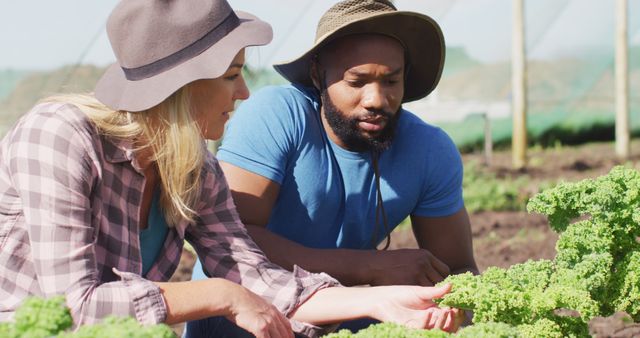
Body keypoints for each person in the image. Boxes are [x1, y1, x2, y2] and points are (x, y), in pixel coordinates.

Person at [0, 0, 463, 337]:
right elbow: (72, 309)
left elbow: (255, 277)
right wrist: (219, 294)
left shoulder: (195, 168)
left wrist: (380, 301)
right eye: (230, 75)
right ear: (180, 85)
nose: (243, 93)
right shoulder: (58, 135)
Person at [214, 0, 479, 292]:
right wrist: (370, 267)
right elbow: (231, 240)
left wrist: (450, 310)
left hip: (347, 317)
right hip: (246, 312)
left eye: (391, 81)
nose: (376, 100)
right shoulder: (275, 115)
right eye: (356, 82)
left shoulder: (429, 151)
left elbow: (458, 269)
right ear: (317, 75)